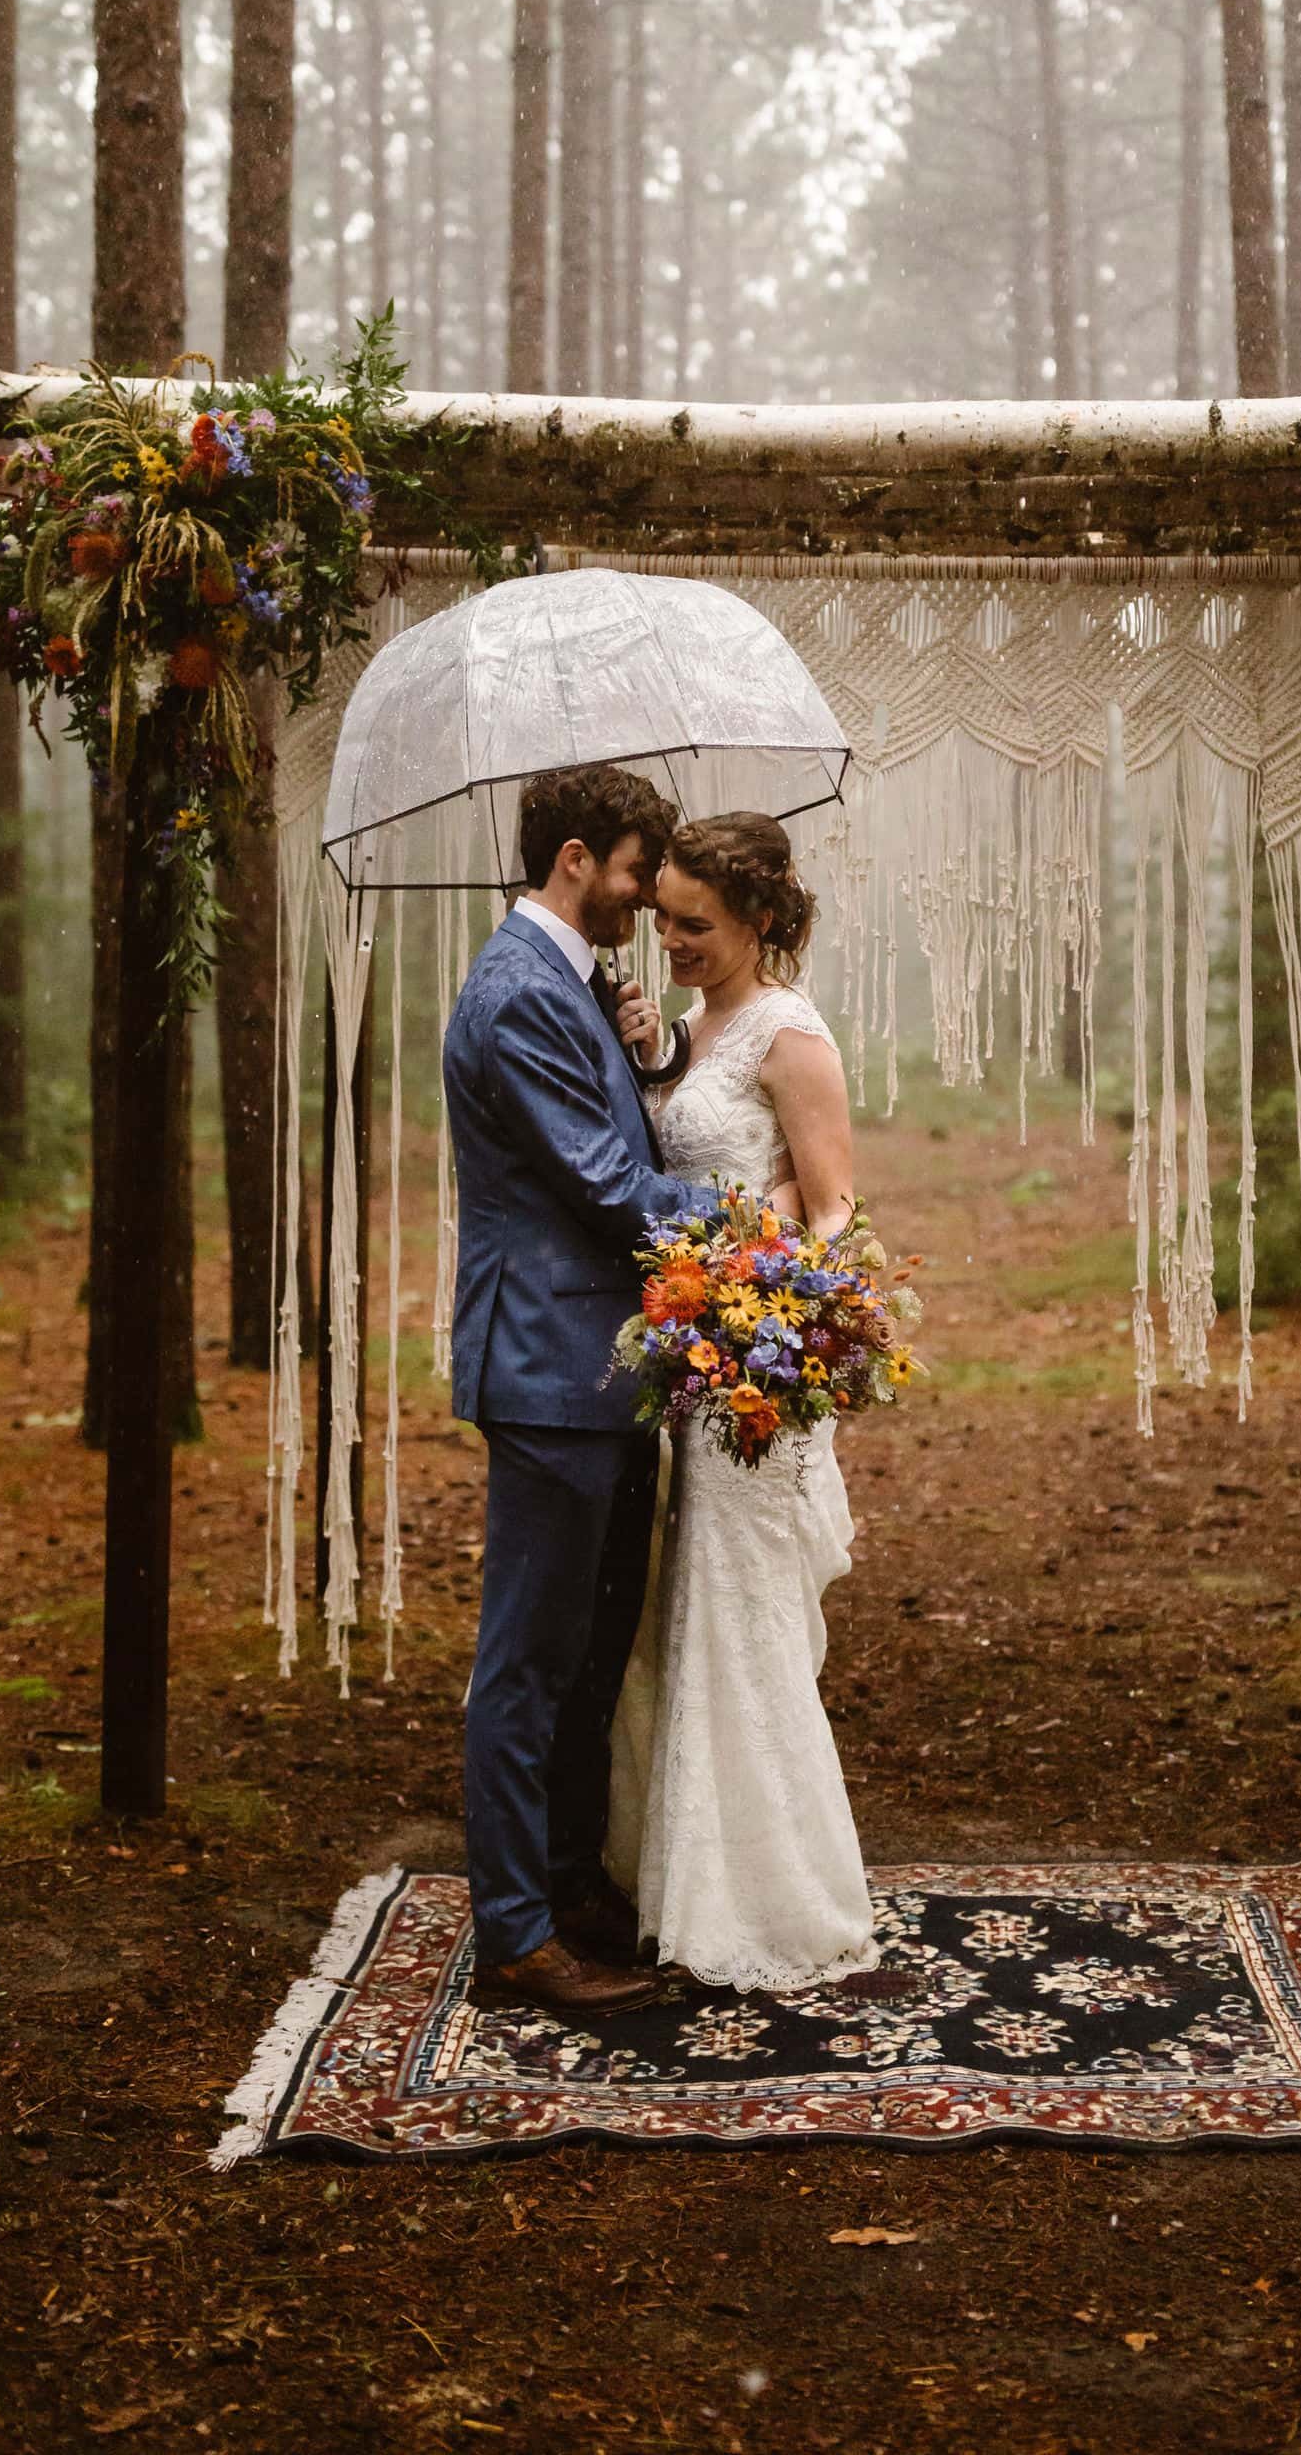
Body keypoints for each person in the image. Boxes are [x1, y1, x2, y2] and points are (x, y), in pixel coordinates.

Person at [443, 761, 715, 2023]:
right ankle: (513, 1934)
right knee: (528, 1662)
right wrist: (746, 1222)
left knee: (591, 1652)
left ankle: (562, 1886)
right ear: (570, 861)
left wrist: (645, 1063)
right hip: (548, 1369)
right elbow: (605, 1190)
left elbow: (609, 1139)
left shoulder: (568, 986)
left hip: (599, 1368)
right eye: (626, 875)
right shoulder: (513, 996)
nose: (638, 901)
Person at [607, 809, 880, 1993]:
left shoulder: (789, 1035)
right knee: (674, 1616)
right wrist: (640, 1055)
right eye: (662, 920)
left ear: (758, 920)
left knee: (737, 1619)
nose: (669, 940)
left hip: (751, 1367)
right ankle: (665, 1873)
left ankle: (769, 1898)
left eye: (693, 925)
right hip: (683, 1365)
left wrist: (763, 1295)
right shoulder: (688, 1026)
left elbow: (834, 1211)